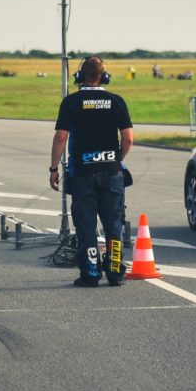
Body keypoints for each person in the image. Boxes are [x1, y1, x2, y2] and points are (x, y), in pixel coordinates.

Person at [50, 56, 133, 287]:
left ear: (79, 77)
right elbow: (128, 139)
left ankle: (90, 273)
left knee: (86, 226)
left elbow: (60, 137)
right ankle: (115, 272)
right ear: (104, 76)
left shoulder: (71, 102)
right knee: (113, 224)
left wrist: (54, 168)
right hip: (112, 172)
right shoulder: (117, 101)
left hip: (83, 174)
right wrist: (115, 159)